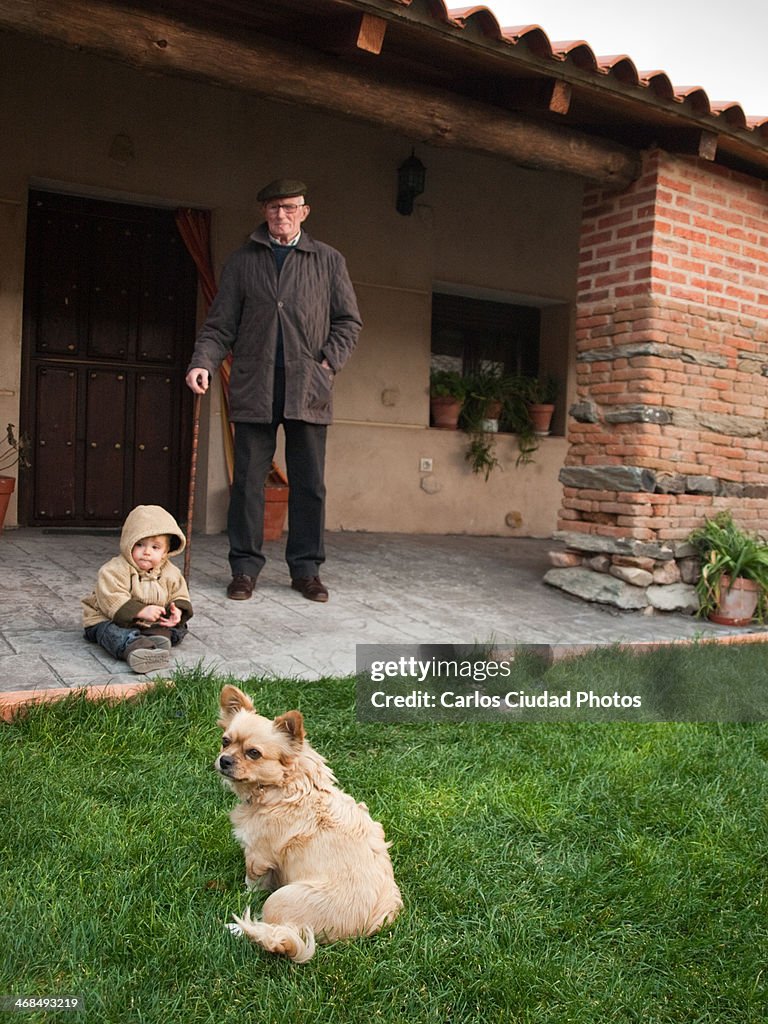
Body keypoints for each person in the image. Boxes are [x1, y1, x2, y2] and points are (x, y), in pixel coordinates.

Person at [185, 178, 362, 603]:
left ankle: (306, 570)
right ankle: (244, 568)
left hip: (308, 387)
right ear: (264, 212)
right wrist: (201, 363)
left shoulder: (328, 261)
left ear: (304, 210)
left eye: (288, 207)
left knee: (310, 484)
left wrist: (326, 364)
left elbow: (348, 322)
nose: (280, 215)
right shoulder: (243, 262)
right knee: (247, 481)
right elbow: (219, 326)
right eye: (272, 208)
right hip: (254, 385)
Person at [82, 505, 193, 674]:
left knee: (181, 627)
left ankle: (157, 636)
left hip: (148, 622)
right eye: (140, 545)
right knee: (111, 633)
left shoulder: (170, 572)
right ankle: (134, 648)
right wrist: (140, 611)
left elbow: (179, 593)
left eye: (155, 547)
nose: (147, 552)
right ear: (128, 543)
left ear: (165, 552)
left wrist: (176, 612)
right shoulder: (114, 569)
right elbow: (111, 598)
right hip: (108, 618)